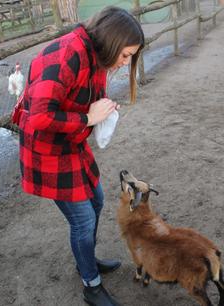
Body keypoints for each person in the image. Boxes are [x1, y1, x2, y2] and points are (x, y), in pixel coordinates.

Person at [17, 6, 144, 306]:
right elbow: (38, 118)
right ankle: (91, 285)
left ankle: (86, 259)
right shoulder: (67, 54)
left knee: (97, 200)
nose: (126, 63)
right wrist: (87, 120)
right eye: (125, 55)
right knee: (83, 221)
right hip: (47, 148)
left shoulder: (94, 55)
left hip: (70, 142)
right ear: (111, 40)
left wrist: (101, 113)